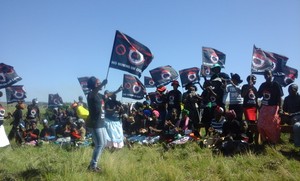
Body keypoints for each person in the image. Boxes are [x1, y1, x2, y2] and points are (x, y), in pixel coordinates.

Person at [86, 76, 107, 172]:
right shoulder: (91, 94)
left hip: (100, 122)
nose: (99, 84)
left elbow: (108, 95)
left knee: (104, 144)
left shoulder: (99, 95)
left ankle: (93, 165)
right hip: (94, 123)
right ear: (93, 85)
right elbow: (93, 92)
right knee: (99, 144)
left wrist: (118, 91)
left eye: (99, 83)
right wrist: (102, 84)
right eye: (97, 83)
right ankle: (92, 166)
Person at [257, 69, 283, 144]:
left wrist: (280, 108)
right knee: (260, 125)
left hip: (273, 107)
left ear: (272, 75)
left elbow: (279, 97)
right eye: (265, 74)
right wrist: (251, 87)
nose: (267, 76)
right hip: (264, 107)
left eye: (268, 74)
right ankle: (265, 140)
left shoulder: (276, 84)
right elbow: (258, 95)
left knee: (271, 125)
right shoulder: (263, 85)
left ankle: (273, 141)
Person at [241, 75, 258, 144]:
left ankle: (251, 138)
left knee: (253, 123)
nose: (255, 81)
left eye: (255, 80)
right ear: (249, 80)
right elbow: (242, 95)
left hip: (254, 107)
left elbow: (256, 98)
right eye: (254, 79)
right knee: (249, 122)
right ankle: (248, 137)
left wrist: (257, 106)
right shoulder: (245, 86)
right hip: (247, 107)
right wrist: (248, 88)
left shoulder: (255, 89)